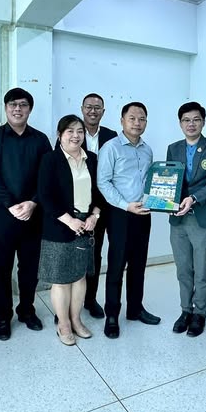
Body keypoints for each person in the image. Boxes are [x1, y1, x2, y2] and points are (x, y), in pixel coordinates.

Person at [0, 87, 52, 341]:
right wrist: (10, 204)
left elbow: (47, 176)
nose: (17, 109)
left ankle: (26, 311)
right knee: (0, 269)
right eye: (13, 104)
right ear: (6, 108)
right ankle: (3, 317)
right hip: (0, 216)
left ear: (30, 109)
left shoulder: (40, 140)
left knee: (29, 269)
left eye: (23, 104)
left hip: (33, 215)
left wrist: (32, 202)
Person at [37, 115, 103, 345]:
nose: (76, 136)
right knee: (62, 279)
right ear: (60, 135)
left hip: (86, 225)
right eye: (70, 131)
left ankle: (76, 320)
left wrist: (94, 215)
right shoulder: (50, 159)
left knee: (80, 276)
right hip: (59, 225)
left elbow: (99, 192)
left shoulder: (91, 159)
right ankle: (63, 324)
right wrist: (70, 221)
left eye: (80, 131)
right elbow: (45, 196)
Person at [97, 102, 159, 338]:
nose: (137, 122)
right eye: (132, 118)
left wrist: (152, 201)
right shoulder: (111, 147)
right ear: (122, 121)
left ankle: (135, 309)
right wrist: (126, 205)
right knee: (116, 265)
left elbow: (149, 182)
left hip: (143, 212)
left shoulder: (147, 150)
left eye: (142, 118)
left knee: (139, 263)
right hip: (120, 213)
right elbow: (103, 182)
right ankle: (112, 314)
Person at [166, 102, 206, 337]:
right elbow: (170, 180)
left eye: (196, 119)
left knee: (201, 270)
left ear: (203, 122)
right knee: (183, 269)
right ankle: (185, 310)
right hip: (179, 219)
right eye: (186, 120)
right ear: (180, 123)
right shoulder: (173, 148)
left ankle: (200, 313)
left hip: (204, 216)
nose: (191, 124)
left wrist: (193, 198)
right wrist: (168, 202)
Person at [79, 92, 118, 319]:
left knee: (95, 254)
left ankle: (90, 300)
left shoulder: (111, 136)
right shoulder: (73, 132)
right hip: (78, 205)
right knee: (75, 255)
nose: (92, 111)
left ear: (103, 111)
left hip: (104, 204)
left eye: (97, 107)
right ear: (82, 109)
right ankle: (69, 303)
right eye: (89, 107)